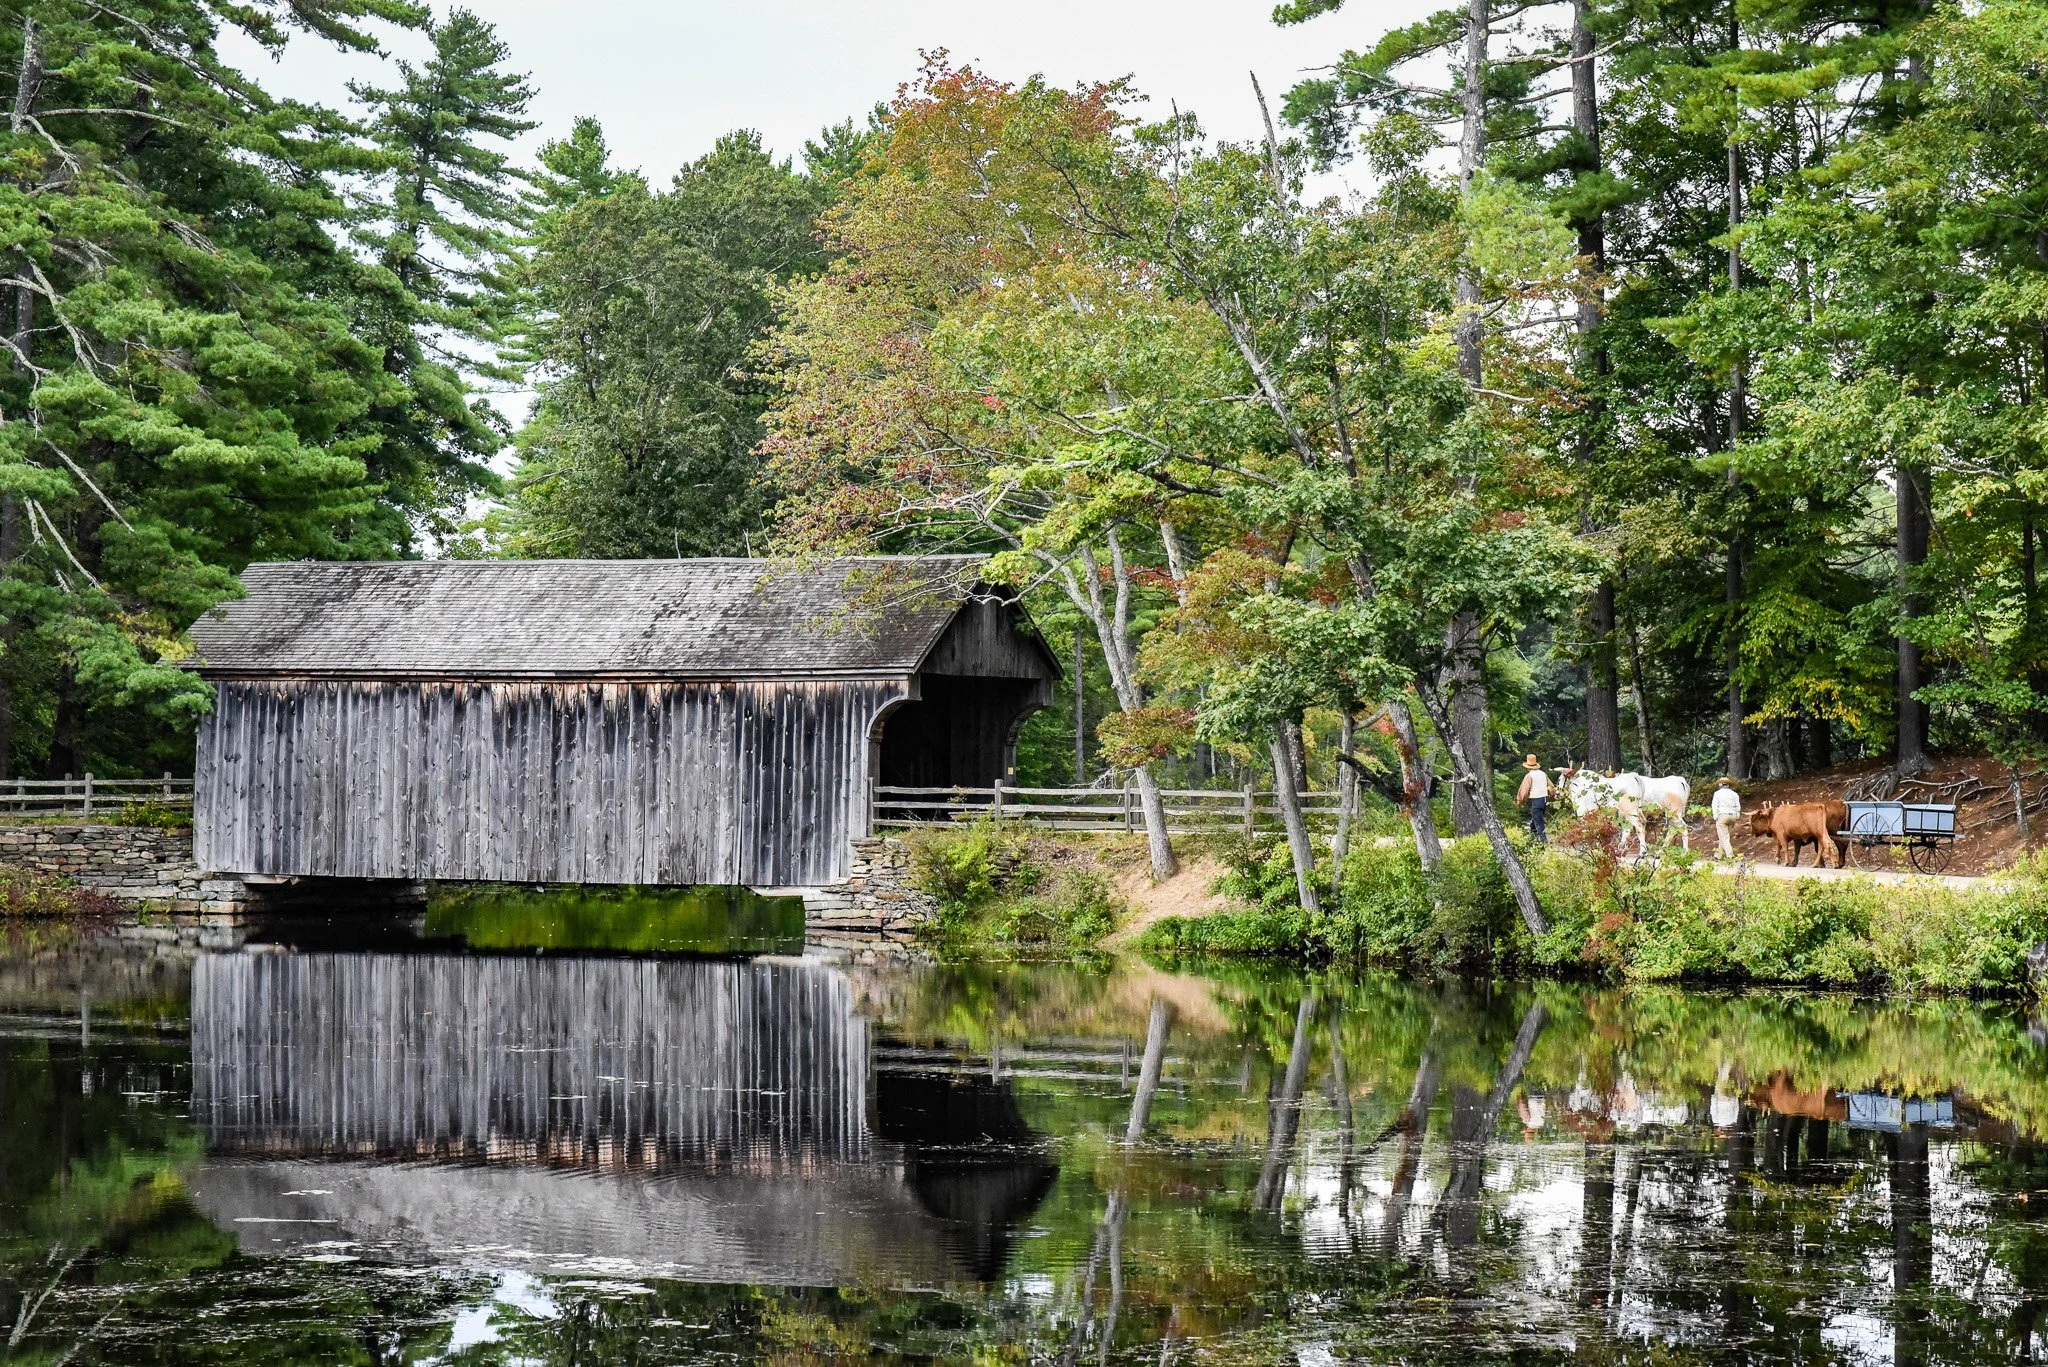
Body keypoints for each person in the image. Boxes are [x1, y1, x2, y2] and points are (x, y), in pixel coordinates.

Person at [1516, 754, 1551, 844]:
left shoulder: (1529, 776)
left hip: (1536, 800)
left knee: (1538, 822)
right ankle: (1532, 839)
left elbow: (1523, 791)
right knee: (1535, 820)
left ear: (1528, 767)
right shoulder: (1543, 774)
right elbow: (1551, 786)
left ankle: (1544, 842)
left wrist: (1520, 801)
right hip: (1544, 800)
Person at [1712, 777, 1742, 858]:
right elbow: (1737, 806)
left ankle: (1730, 855)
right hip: (1732, 816)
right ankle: (1718, 855)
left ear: (1721, 784)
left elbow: (1715, 806)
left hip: (1722, 815)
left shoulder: (1717, 793)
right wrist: (1737, 815)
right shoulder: (1734, 794)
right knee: (1724, 835)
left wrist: (1715, 816)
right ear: (1728, 785)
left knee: (1724, 836)